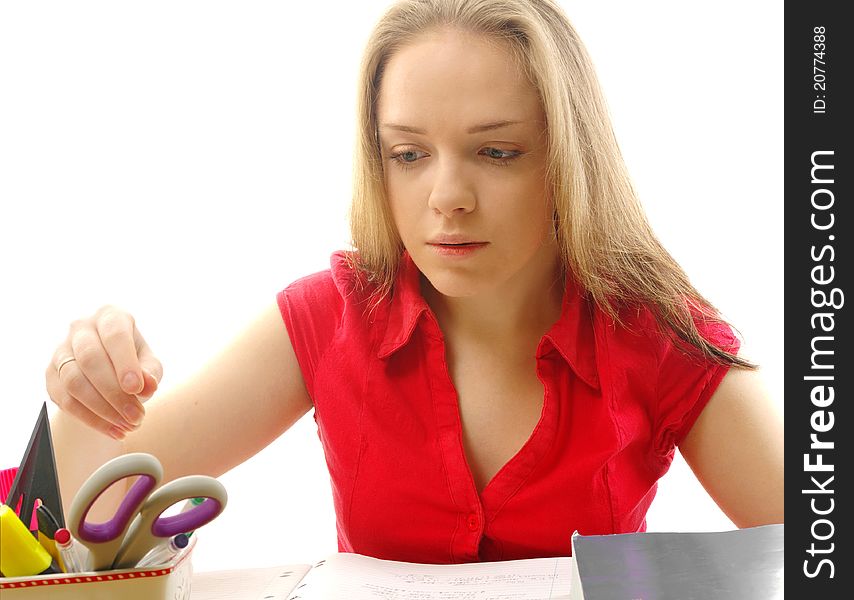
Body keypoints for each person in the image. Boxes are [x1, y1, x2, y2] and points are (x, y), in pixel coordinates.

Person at [46, 0, 783, 564]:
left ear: (567, 161)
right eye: (408, 154)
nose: (447, 197)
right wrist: (84, 390)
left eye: (496, 152)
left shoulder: (655, 333)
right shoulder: (329, 316)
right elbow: (94, 504)